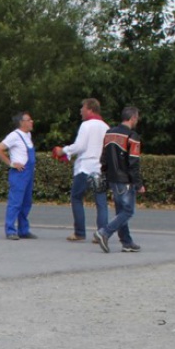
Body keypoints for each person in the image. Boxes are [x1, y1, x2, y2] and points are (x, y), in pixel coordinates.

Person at [54, 98, 109, 242]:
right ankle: (102, 233)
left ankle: (79, 232)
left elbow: (80, 146)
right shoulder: (106, 127)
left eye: (82, 108)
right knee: (101, 202)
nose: (80, 111)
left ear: (90, 109)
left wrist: (63, 151)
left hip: (85, 168)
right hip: (99, 169)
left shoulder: (86, 125)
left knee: (76, 198)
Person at [95, 106, 145, 253]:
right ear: (132, 118)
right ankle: (104, 232)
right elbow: (133, 163)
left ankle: (126, 241)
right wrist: (138, 183)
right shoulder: (132, 136)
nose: (137, 120)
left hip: (112, 178)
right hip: (125, 179)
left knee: (120, 212)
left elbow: (104, 157)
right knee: (128, 211)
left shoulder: (109, 133)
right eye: (137, 118)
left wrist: (105, 173)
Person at [0, 111, 37, 239]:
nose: (31, 122)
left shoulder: (28, 135)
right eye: (29, 120)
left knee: (26, 203)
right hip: (19, 174)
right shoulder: (14, 136)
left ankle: (23, 229)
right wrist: (11, 163)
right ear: (21, 122)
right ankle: (10, 230)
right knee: (15, 202)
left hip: (28, 174)